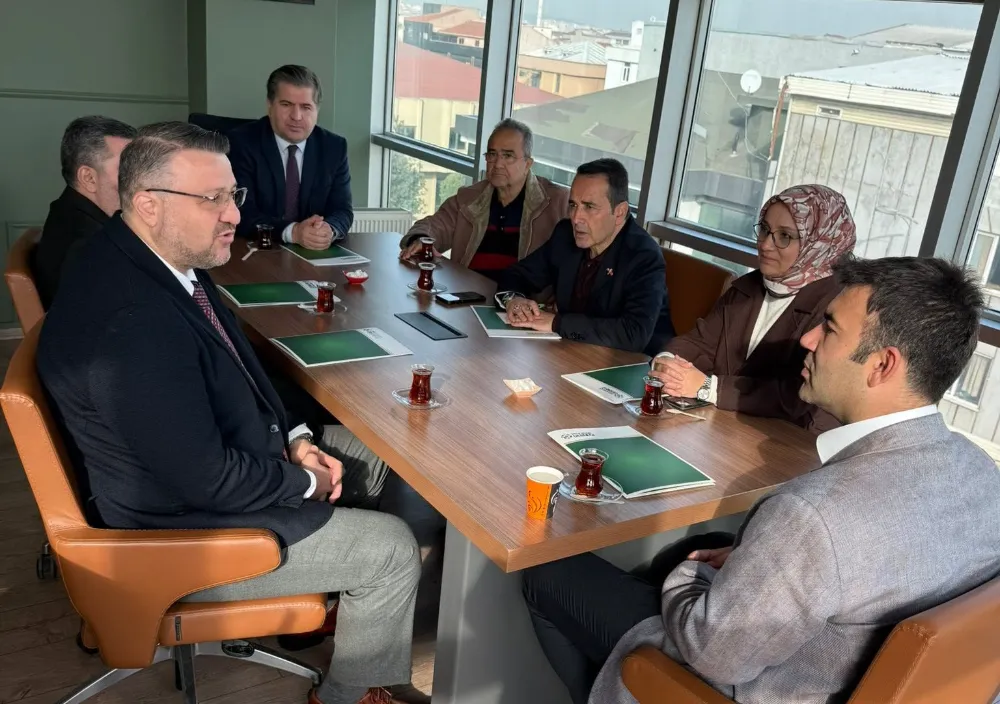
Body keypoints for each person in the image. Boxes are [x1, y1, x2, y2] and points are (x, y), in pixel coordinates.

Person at [37, 122, 418, 704]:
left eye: (232, 194)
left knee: (385, 459)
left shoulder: (156, 260)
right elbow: (204, 479)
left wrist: (295, 440)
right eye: (211, 198)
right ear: (149, 205)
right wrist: (305, 480)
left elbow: (240, 367)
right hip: (174, 532)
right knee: (391, 548)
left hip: (220, 463)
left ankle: (349, 607)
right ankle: (345, 693)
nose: (235, 215)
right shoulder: (132, 323)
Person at [521, 256, 1000, 704]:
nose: (808, 340)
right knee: (702, 543)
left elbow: (712, 654)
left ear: (882, 365)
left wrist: (691, 575)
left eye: (830, 328)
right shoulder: (981, 472)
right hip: (828, 669)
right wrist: (756, 562)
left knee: (549, 573)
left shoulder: (812, 515)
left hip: (736, 684)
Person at [651, 184, 856, 431]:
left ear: (819, 244)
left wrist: (709, 387)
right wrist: (666, 364)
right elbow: (700, 341)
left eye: (784, 236)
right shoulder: (748, 285)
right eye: (765, 230)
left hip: (789, 441)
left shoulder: (837, 307)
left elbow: (797, 395)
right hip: (723, 428)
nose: (766, 244)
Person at [494, 158, 673, 354]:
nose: (576, 217)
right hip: (571, 352)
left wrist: (556, 323)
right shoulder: (565, 235)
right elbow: (517, 274)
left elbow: (633, 333)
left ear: (620, 212)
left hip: (632, 364)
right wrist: (513, 299)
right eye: (573, 205)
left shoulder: (643, 256)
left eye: (589, 207)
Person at [399, 119, 568, 283]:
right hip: (467, 293)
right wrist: (421, 239)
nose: (498, 164)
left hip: (521, 299)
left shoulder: (557, 203)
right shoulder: (469, 197)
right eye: (492, 154)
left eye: (508, 155)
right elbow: (433, 225)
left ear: (528, 164)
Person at [229, 65, 352, 250]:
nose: (296, 116)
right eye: (286, 105)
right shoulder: (242, 143)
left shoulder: (334, 147)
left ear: (317, 110)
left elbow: (342, 210)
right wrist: (293, 232)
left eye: (306, 107)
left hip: (312, 254)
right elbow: (240, 212)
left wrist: (328, 230)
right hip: (258, 250)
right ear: (270, 105)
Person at [34, 115, 137, 307]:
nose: (140, 181)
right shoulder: (87, 244)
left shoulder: (67, 212)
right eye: (127, 170)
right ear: (88, 178)